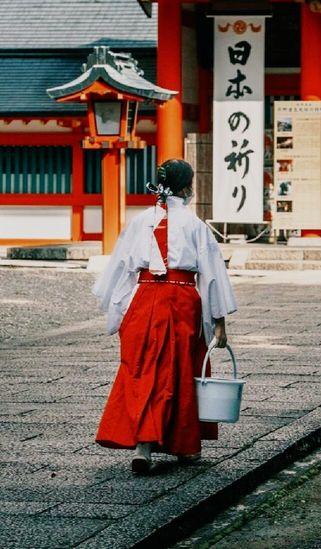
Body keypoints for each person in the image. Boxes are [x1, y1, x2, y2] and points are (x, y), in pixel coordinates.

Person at [93, 158, 237, 474]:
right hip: (182, 298)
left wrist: (118, 309)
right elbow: (212, 274)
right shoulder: (195, 225)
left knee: (143, 368)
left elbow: (122, 268)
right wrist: (220, 320)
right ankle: (183, 446)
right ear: (187, 187)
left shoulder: (139, 221)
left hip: (144, 297)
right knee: (181, 370)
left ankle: (143, 446)